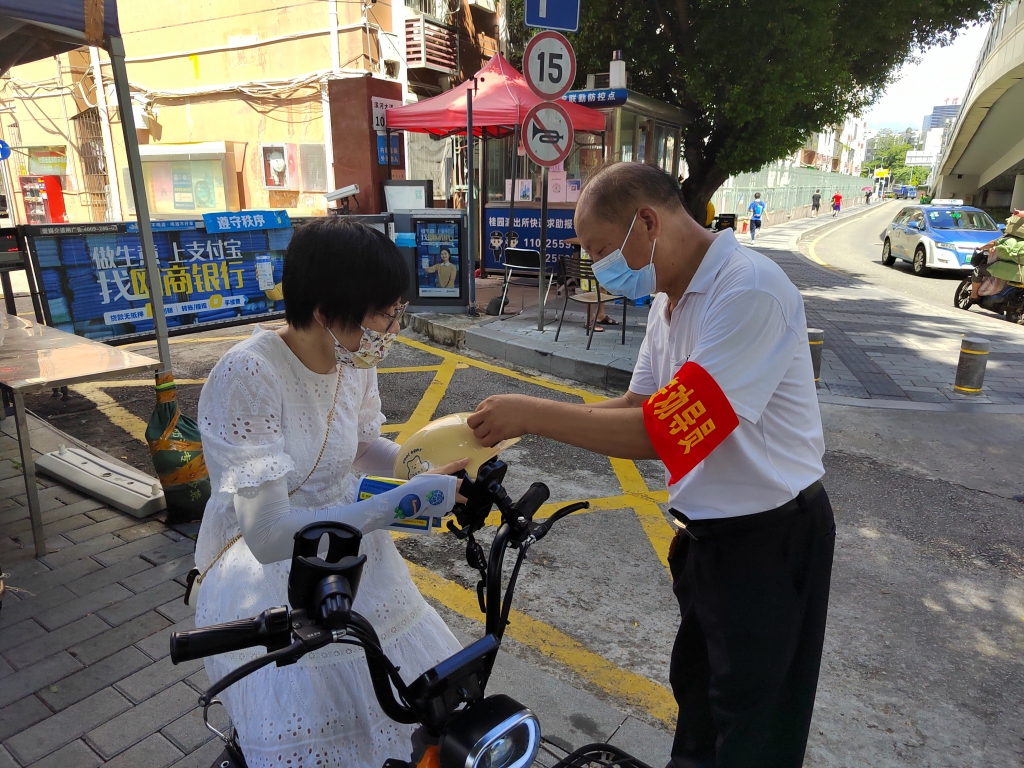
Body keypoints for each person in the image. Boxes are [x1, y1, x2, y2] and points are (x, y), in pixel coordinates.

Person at [468, 162, 834, 768]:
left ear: (646, 223)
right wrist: (514, 425)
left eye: (600, 251)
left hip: (770, 541)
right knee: (699, 700)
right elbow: (639, 404)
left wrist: (530, 414)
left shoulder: (749, 292)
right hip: (707, 541)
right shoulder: (670, 300)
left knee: (755, 726)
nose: (599, 268)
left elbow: (668, 430)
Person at [192, 219, 466, 767]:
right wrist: (396, 505)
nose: (393, 329)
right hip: (268, 573)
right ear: (324, 313)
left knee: (409, 696)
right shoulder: (248, 374)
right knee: (315, 713)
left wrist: (429, 471)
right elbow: (268, 535)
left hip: (346, 550)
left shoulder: (352, 358)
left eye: (397, 311)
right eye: (383, 315)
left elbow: (361, 446)